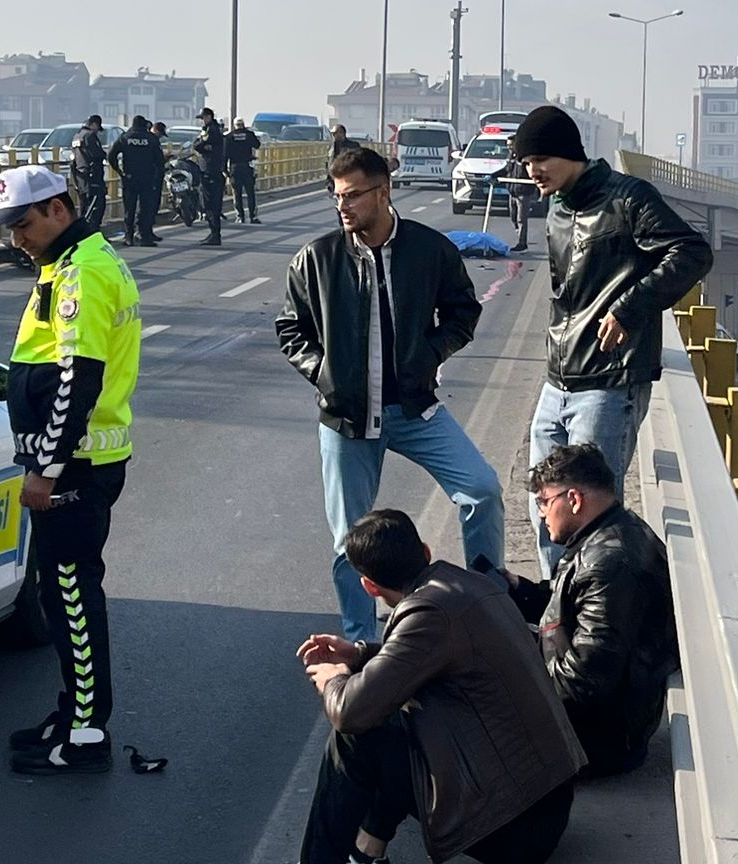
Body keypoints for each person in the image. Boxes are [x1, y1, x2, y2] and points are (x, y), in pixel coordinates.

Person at [276, 147, 506, 644]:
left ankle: (490, 612)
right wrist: (325, 375)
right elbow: (291, 329)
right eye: (338, 196)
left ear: (383, 192)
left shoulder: (429, 249)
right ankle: (363, 643)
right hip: (347, 418)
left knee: (482, 490)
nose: (343, 206)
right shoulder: (317, 258)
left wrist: (430, 354)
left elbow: (463, 313)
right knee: (350, 541)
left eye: (353, 195)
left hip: (415, 409)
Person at [296, 510, 583, 864]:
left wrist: (333, 679)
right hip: (550, 803)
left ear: (369, 586)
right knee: (393, 715)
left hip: (515, 832)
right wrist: (357, 654)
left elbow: (350, 712)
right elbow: (420, 659)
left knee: (357, 736)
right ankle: (368, 849)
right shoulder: (470, 585)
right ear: (426, 551)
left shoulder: (428, 614)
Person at [510, 104, 712, 575]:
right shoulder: (557, 210)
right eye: (526, 161)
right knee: (544, 507)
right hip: (558, 379)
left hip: (610, 380)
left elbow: (691, 252)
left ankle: (594, 602)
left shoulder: (628, 198)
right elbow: (565, 294)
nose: (533, 170)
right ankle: (555, 601)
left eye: (540, 159)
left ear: (569, 153)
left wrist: (628, 308)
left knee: (588, 514)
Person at [0, 165, 142, 775]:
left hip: (76, 467)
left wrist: (46, 469)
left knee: (73, 598)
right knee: (63, 596)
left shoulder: (82, 272)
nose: (17, 239)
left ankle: (85, 734)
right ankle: (73, 712)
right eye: (10, 228)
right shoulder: (69, 262)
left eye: (24, 224)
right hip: (81, 461)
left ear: (58, 209)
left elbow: (78, 380)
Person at [503, 444, 677, 777]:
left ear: (574, 499)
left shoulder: (612, 564)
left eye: (544, 502)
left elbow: (585, 681)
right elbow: (572, 608)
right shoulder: (611, 533)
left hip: (596, 740)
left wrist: (511, 693)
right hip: (605, 721)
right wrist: (519, 591)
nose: (541, 514)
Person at [112, 114, 164, 247]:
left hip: (129, 178)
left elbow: (111, 155)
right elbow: (159, 160)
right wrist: (157, 177)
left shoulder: (125, 137)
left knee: (129, 208)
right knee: (145, 208)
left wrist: (119, 171)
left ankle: (128, 236)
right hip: (147, 178)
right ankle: (144, 236)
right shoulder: (151, 138)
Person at [194, 107, 227, 246]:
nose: (201, 121)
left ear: (208, 117)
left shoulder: (211, 130)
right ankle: (214, 233)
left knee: (211, 205)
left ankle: (215, 235)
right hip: (211, 171)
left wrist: (202, 145)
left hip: (211, 172)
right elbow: (198, 144)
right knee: (210, 205)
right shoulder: (210, 129)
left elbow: (198, 145)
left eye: (202, 118)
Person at [69, 115, 108, 231]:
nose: (97, 131)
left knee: (85, 206)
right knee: (97, 206)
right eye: (97, 128)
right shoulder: (90, 136)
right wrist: (105, 155)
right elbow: (97, 154)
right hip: (93, 175)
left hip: (80, 176)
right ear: (94, 124)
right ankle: (93, 231)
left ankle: (84, 231)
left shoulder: (77, 136)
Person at [226, 116, 264, 224]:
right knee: (250, 192)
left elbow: (225, 154)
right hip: (247, 167)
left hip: (234, 167)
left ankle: (240, 217)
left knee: (237, 193)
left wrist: (225, 170)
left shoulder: (229, 136)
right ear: (243, 124)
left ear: (234, 125)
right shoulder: (249, 134)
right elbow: (257, 145)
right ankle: (253, 216)